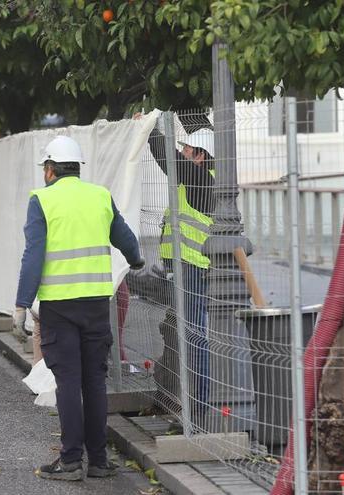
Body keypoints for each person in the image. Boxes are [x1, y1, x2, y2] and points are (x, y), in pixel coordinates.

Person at [13, 135, 144, 481]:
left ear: (51, 169)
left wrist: (21, 304)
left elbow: (33, 255)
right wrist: (136, 259)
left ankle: (71, 461)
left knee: (68, 381)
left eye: (45, 167)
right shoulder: (99, 196)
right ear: (78, 168)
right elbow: (125, 237)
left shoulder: (41, 200)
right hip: (97, 304)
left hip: (59, 306)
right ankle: (99, 461)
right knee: (94, 381)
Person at [139, 112, 216, 424]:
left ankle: (197, 411)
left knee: (193, 334)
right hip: (182, 270)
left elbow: (167, 158)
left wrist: (149, 129)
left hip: (193, 270)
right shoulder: (194, 180)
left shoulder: (200, 179)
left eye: (188, 149)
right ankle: (176, 400)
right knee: (176, 331)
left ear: (200, 156)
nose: (183, 152)